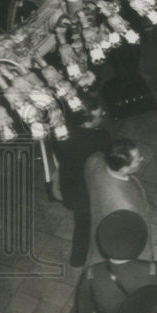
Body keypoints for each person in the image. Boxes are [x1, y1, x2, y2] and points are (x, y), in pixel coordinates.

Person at [51, 96, 111, 267]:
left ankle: (77, 259)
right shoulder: (100, 138)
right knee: (89, 222)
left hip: (70, 186)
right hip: (90, 191)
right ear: (87, 122)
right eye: (100, 115)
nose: (104, 114)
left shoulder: (61, 134)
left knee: (82, 225)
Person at [83, 139, 149, 268]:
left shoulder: (94, 160)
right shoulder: (126, 206)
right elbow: (133, 241)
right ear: (124, 169)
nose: (142, 159)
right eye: (137, 160)